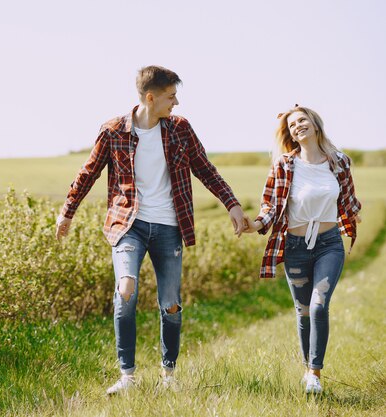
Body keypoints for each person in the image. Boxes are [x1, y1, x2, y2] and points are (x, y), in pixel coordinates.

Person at [55, 65, 247, 394]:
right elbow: (88, 173)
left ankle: (168, 376)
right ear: (150, 97)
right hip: (128, 224)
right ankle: (127, 376)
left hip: (170, 226)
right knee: (126, 289)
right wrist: (67, 212)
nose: (176, 103)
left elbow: (205, 168)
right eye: (171, 96)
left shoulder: (180, 129)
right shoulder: (114, 130)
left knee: (170, 303)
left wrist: (231, 203)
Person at [244, 105, 361, 394]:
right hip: (295, 246)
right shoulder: (284, 165)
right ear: (291, 135)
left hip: (329, 244)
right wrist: (256, 224)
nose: (298, 126)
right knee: (304, 310)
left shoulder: (340, 162)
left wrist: (355, 213)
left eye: (302, 120)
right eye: (292, 124)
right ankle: (308, 369)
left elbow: (348, 198)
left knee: (320, 304)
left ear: (314, 123)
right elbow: (271, 205)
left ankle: (315, 374)